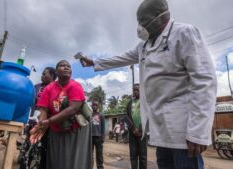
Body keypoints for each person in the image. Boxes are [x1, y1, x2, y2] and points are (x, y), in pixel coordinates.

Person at [78, 0, 217, 168]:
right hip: (160, 131)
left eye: (143, 22)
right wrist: (94, 62)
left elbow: (204, 81)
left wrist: (198, 132)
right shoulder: (144, 45)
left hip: (184, 132)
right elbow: (122, 58)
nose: (139, 27)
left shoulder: (184, 33)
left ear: (160, 18)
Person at [30, 60, 92, 169]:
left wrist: (48, 122)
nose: (66, 67)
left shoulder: (75, 86)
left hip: (75, 130)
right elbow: (42, 108)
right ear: (56, 72)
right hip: (56, 129)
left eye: (68, 66)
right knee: (56, 160)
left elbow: (73, 109)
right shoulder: (49, 88)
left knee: (73, 161)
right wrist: (41, 125)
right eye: (62, 65)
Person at [20, 67, 57, 169]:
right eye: (42, 74)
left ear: (52, 76)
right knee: (28, 149)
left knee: (44, 151)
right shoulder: (35, 87)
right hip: (33, 124)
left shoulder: (56, 88)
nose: (42, 76)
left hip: (47, 126)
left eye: (45, 74)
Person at [125, 83, 147, 169]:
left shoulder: (145, 102)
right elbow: (126, 116)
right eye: (134, 90)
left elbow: (147, 116)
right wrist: (133, 129)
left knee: (143, 156)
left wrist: (140, 129)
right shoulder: (130, 103)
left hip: (142, 133)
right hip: (132, 133)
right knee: (133, 155)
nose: (135, 91)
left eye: (137, 90)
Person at [91, 101, 105, 169]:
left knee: (99, 154)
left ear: (98, 106)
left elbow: (103, 127)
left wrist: (103, 137)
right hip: (90, 137)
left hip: (99, 137)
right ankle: (90, 166)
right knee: (90, 154)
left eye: (96, 105)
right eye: (93, 105)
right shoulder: (89, 115)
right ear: (91, 106)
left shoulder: (101, 115)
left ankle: (100, 167)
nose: (94, 106)